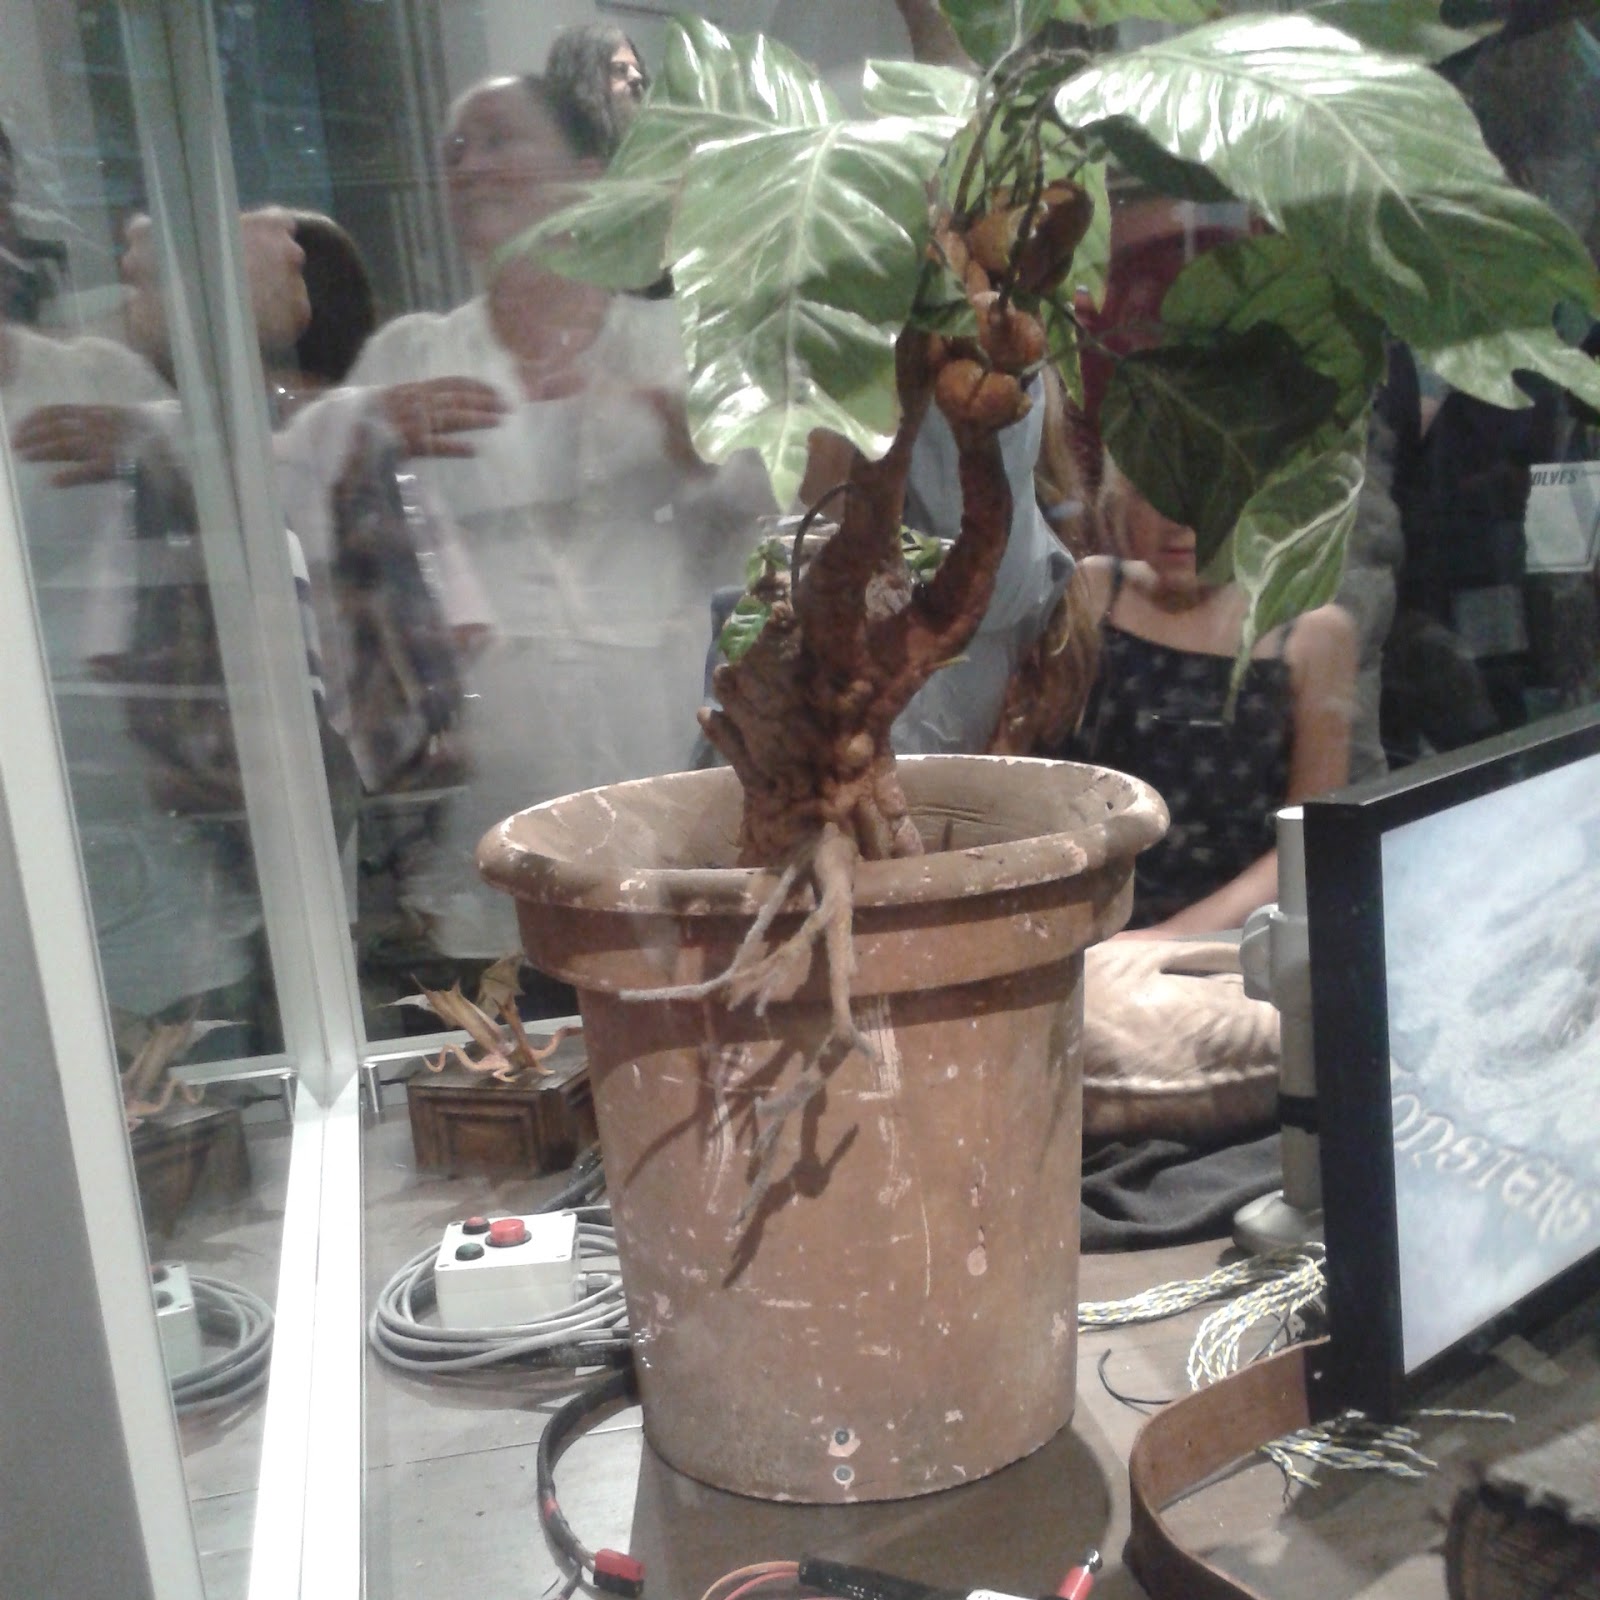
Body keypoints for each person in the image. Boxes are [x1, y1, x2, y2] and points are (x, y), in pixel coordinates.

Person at [287, 71, 774, 970]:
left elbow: (776, 514)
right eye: (454, 152)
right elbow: (302, 514)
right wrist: (365, 429)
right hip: (481, 801)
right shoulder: (411, 356)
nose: (471, 166)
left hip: (672, 762)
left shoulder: (678, 343)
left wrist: (680, 428)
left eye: (500, 138)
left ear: (585, 175)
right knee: (506, 1011)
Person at [1046, 464, 1357, 935]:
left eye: (1213, 494)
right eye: (1158, 492)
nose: (1180, 521)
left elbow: (1308, 840)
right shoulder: (1094, 590)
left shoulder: (1314, 634)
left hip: (1231, 936)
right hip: (1077, 915)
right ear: (1123, 499)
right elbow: (1028, 768)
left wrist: (1163, 942)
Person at [544, 22, 649, 160]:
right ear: (583, 81)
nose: (637, 76)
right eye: (619, 69)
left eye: (637, 69)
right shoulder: (555, 161)